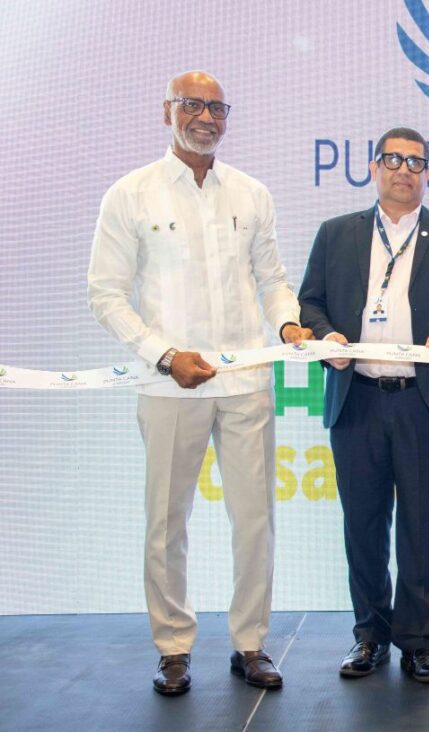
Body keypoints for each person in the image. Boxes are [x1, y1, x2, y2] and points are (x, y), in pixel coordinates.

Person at [88, 71, 312, 695]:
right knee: (166, 521)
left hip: (245, 380)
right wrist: (164, 356)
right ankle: (172, 647)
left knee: (255, 519)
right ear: (168, 111)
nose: (206, 117)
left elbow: (272, 279)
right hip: (170, 385)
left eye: (217, 107)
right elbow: (105, 295)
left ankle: (251, 643)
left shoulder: (251, 192)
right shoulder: (130, 194)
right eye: (193, 104)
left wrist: (288, 324)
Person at [298, 127, 429, 684]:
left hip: (423, 402)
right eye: (393, 159)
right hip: (357, 397)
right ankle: (370, 636)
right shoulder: (336, 233)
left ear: (428, 173)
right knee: (362, 525)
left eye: (415, 162)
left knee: (420, 527)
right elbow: (309, 302)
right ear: (373, 167)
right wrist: (326, 337)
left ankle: (418, 642)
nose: (403, 170)